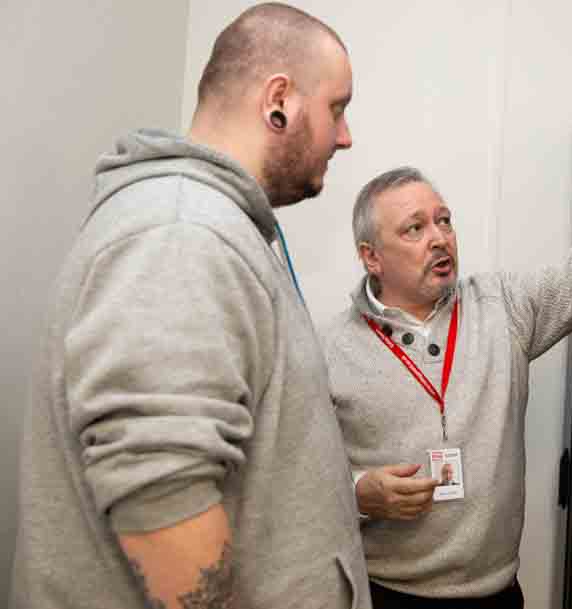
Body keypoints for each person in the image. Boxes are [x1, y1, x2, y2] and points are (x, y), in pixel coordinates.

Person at [11, 4, 370, 609]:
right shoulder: (181, 231)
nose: (345, 135)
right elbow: (162, 492)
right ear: (278, 100)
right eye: (337, 107)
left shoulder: (209, 226)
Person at [321, 90, 572, 607]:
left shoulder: (502, 306)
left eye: (444, 220)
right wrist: (359, 494)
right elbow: (297, 479)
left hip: (496, 593)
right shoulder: (331, 350)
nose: (440, 238)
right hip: (386, 593)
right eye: (415, 229)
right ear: (371, 257)